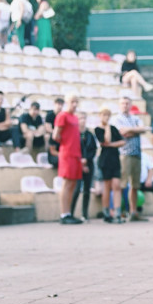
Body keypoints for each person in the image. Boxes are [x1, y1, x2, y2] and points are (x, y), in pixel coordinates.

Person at [113, 95, 148, 221]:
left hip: (136, 154)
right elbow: (122, 132)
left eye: (127, 103)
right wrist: (136, 131)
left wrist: (131, 131)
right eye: (123, 103)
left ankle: (133, 212)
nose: (125, 105)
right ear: (119, 105)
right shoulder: (117, 119)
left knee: (135, 185)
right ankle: (121, 211)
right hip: (124, 154)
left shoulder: (135, 118)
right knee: (122, 184)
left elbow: (143, 129)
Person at [53, 94, 83, 224]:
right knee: (66, 184)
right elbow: (56, 135)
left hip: (76, 153)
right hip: (67, 153)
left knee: (73, 183)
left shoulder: (75, 118)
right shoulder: (62, 116)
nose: (74, 104)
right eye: (72, 102)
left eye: (76, 102)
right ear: (67, 102)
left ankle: (69, 212)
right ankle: (64, 214)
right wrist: (65, 144)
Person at [94, 106, 125, 223]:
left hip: (115, 159)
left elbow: (122, 142)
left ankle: (117, 212)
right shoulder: (98, 129)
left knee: (116, 185)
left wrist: (112, 145)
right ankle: (106, 212)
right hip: (105, 160)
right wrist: (106, 127)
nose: (106, 117)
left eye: (108, 115)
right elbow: (105, 140)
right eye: (104, 115)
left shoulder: (114, 128)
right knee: (107, 186)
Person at [71, 114, 98, 221]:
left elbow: (92, 149)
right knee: (76, 189)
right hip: (77, 164)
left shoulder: (89, 135)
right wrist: (81, 161)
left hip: (89, 164)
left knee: (87, 189)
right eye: (80, 118)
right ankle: (70, 212)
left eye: (84, 118)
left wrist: (87, 160)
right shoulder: (75, 134)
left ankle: (85, 214)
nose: (82, 121)